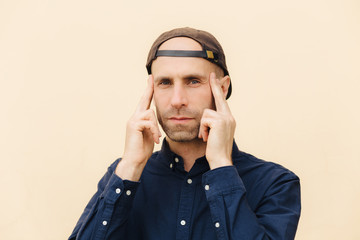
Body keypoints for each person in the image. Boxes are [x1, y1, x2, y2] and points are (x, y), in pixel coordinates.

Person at [69, 27, 301, 240]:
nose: (177, 100)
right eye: (165, 83)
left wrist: (221, 166)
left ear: (222, 88)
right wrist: (130, 165)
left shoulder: (275, 183)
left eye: (193, 81)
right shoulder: (122, 176)